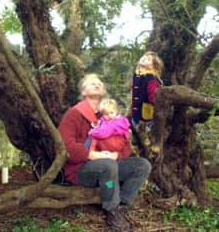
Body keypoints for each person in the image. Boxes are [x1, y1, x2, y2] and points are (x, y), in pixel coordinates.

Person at [58, 74, 151, 231]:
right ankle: (111, 210)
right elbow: (65, 145)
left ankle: (122, 204)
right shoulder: (74, 114)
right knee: (107, 166)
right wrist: (94, 155)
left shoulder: (109, 116)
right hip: (81, 169)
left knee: (142, 165)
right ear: (83, 91)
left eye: (99, 82)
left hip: (109, 171)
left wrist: (117, 155)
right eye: (92, 83)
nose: (97, 84)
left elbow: (125, 146)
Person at [130, 51, 164, 126]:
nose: (144, 59)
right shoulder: (137, 75)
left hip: (146, 117)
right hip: (135, 115)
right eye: (144, 57)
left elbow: (154, 97)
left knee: (145, 135)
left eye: (148, 59)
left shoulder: (151, 79)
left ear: (153, 67)